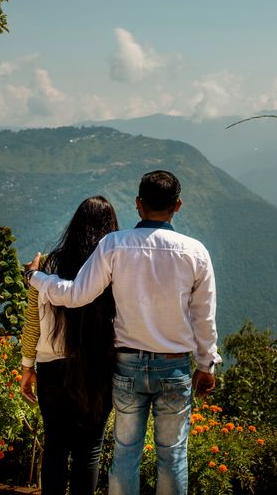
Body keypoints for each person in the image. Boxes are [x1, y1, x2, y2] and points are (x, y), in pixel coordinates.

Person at [25, 170, 220, 495]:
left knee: (126, 454)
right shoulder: (196, 252)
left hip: (126, 367)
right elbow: (204, 316)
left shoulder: (114, 245)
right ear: (178, 205)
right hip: (173, 366)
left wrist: (36, 278)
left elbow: (75, 295)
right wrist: (206, 365)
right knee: (172, 457)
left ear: (138, 204)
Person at [18, 195, 119, 495]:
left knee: (56, 449)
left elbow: (33, 320)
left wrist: (26, 366)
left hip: (52, 367)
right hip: (98, 367)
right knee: (89, 450)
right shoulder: (114, 268)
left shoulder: (49, 265)